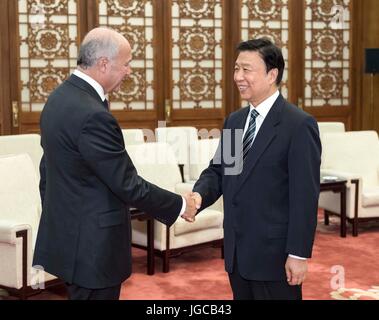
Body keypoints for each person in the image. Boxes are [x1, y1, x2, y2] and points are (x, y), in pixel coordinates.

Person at [33, 27, 196, 300]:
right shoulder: (92, 113)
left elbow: (47, 170)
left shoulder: (59, 99)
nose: (129, 71)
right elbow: (127, 184)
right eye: (127, 63)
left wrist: (64, 216)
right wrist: (180, 205)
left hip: (69, 240)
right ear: (104, 63)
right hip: (92, 249)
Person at [188, 38, 321, 300]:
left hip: (275, 257)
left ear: (272, 74)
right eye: (236, 69)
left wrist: (298, 254)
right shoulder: (236, 121)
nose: (238, 77)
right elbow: (220, 170)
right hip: (238, 253)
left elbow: (305, 196)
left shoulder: (298, 125)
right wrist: (198, 197)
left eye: (246, 69)